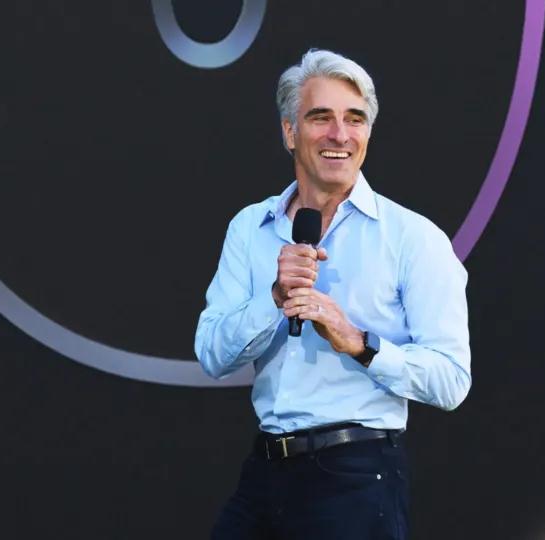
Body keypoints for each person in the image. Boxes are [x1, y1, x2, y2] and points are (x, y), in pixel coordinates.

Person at [195, 49, 472, 539]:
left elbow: (451, 380)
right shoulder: (250, 227)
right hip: (266, 469)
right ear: (289, 132)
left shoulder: (412, 237)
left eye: (355, 119)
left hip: (356, 475)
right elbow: (212, 355)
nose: (339, 135)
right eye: (321, 117)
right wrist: (274, 298)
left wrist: (360, 343)